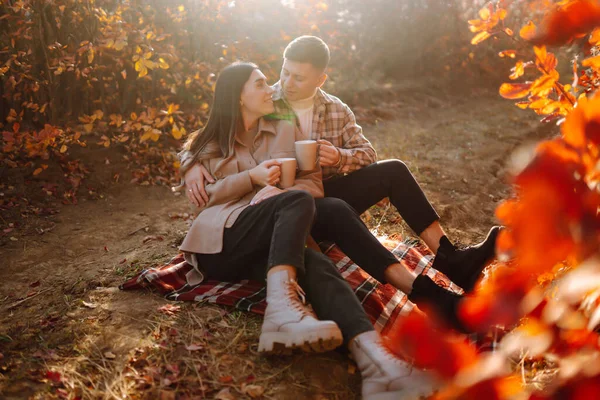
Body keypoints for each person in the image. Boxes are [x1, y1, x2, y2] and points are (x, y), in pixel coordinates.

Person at [174, 61, 439, 399]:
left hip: (275, 237)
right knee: (296, 200)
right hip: (222, 241)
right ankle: (282, 310)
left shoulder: (285, 128)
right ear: (237, 97)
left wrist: (281, 193)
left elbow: (312, 182)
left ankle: (377, 366)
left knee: (319, 266)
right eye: (259, 84)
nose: (271, 87)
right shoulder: (208, 145)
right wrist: (250, 179)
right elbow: (204, 199)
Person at [181, 37, 499, 299]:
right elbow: (214, 132)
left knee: (394, 170)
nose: (287, 83)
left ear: (320, 79)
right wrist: (191, 163)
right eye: (285, 72)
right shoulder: (266, 101)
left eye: (299, 77)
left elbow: (367, 154)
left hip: (324, 187)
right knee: (329, 207)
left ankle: (451, 259)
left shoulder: (335, 110)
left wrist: (339, 158)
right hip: (279, 201)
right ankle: (423, 292)